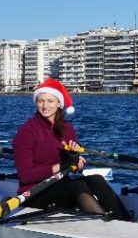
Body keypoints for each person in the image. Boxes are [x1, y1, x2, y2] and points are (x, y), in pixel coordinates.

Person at [12, 78, 128, 220]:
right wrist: (60, 166)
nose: (44, 106)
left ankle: (123, 221)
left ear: (59, 104)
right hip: (34, 193)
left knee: (96, 180)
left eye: (50, 101)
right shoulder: (26, 132)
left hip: (59, 184)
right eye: (41, 101)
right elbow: (25, 175)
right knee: (76, 185)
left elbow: (76, 165)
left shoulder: (67, 129)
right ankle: (102, 225)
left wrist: (76, 159)